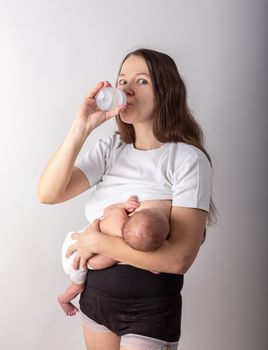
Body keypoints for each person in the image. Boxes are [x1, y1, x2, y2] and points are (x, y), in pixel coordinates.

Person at [38, 48, 215, 350]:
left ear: (166, 91)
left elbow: (178, 259)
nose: (127, 89)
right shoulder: (112, 148)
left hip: (149, 310)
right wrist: (82, 127)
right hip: (96, 304)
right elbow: (48, 193)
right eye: (122, 81)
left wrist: (97, 243)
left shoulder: (187, 159)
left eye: (142, 81)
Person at [59, 195, 171, 316]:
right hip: (75, 258)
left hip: (75, 237)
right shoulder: (113, 254)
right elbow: (92, 263)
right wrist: (151, 266)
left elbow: (109, 209)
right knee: (77, 287)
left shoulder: (118, 217)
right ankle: (63, 300)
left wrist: (124, 205)